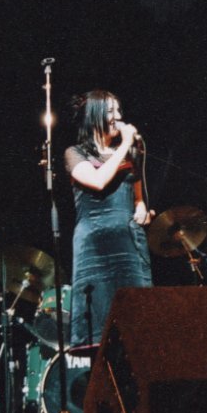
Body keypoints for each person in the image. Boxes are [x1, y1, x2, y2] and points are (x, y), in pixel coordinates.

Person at [65, 90, 154, 352]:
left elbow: (137, 196)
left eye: (118, 110)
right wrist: (125, 145)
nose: (118, 117)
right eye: (110, 112)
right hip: (94, 246)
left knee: (136, 323)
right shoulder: (75, 153)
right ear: (94, 116)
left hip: (128, 243)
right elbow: (98, 181)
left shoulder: (130, 154)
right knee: (99, 322)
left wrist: (141, 208)